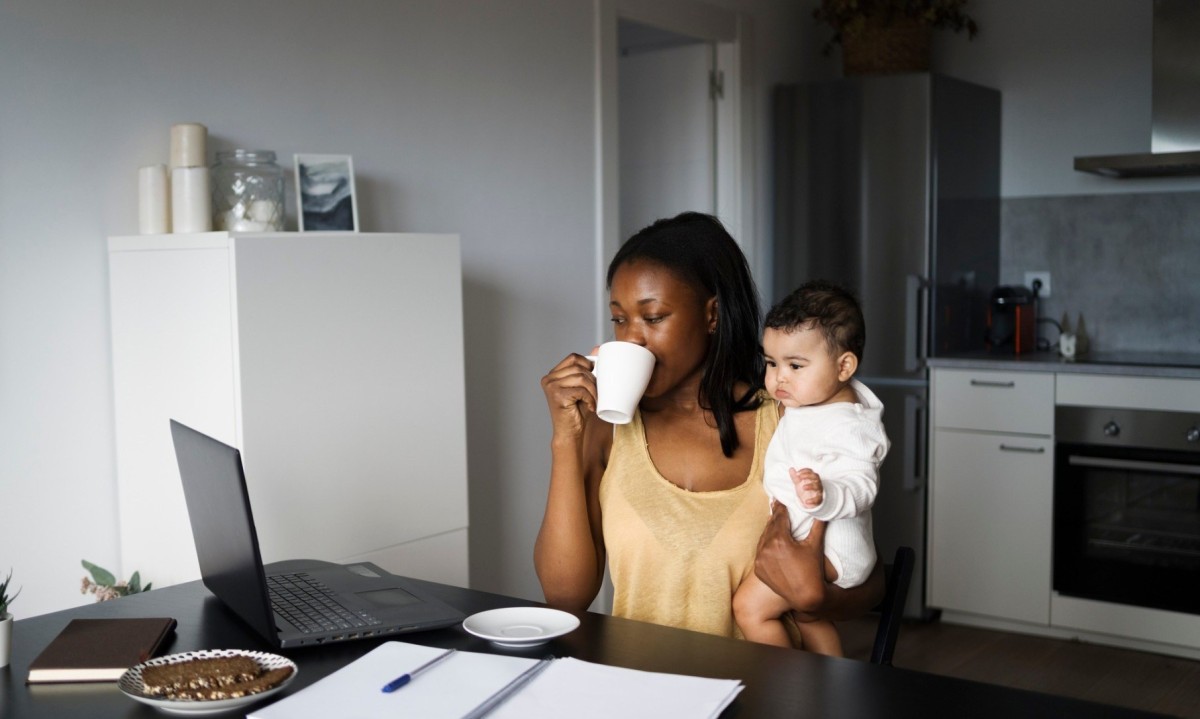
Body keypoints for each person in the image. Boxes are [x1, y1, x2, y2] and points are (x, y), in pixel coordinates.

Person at [535, 212, 884, 644]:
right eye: (620, 319)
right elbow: (564, 597)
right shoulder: (608, 430)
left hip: (766, 694)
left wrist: (814, 599)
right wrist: (565, 439)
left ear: (713, 315)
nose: (632, 340)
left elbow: (868, 579)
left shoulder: (787, 419)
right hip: (641, 693)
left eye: (654, 317)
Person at [731, 281, 890, 655]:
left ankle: (789, 691)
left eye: (795, 365)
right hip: (819, 548)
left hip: (833, 552)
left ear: (844, 366)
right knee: (810, 619)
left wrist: (826, 493)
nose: (778, 377)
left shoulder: (849, 425)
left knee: (749, 609)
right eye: (771, 363)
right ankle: (830, 693)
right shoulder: (811, 404)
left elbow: (863, 484)